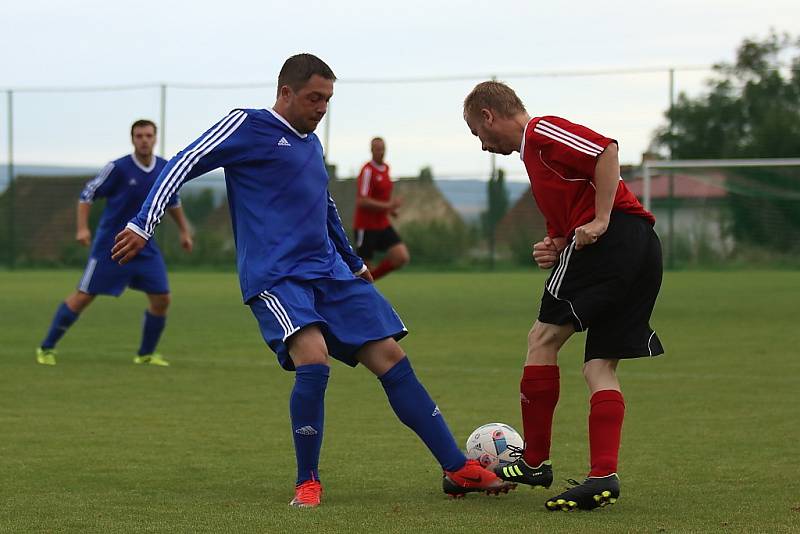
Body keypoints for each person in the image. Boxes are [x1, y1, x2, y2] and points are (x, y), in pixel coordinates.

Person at [112, 54, 513, 507]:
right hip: (277, 277)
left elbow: (324, 207)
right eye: (313, 98)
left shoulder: (309, 144)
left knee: (391, 357)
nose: (321, 108)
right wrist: (144, 222)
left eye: (327, 99)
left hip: (329, 271)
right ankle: (308, 481)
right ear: (285, 92)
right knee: (313, 357)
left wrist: (351, 258)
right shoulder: (247, 125)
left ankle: (457, 468)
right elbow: (184, 161)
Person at [462, 81, 664, 511]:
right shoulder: (537, 165)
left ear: (488, 115)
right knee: (599, 366)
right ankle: (602, 478)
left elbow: (605, 151)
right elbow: (571, 221)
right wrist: (553, 245)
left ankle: (534, 461)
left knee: (542, 339)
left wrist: (602, 219)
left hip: (613, 241)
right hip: (643, 248)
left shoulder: (540, 133)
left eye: (478, 135)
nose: (482, 146)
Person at [35, 120, 193, 367]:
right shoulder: (117, 168)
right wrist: (82, 228)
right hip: (112, 245)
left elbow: (172, 202)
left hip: (144, 246)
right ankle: (46, 347)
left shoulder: (164, 168)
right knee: (83, 296)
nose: (144, 140)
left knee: (162, 298)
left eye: (148, 135)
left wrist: (184, 231)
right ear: (132, 139)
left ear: (155, 138)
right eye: (139, 135)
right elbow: (87, 194)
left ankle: (145, 354)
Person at [353, 137, 410, 280]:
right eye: (378, 149)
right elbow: (362, 201)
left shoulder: (386, 169)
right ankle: (362, 285)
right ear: (371, 150)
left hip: (382, 224)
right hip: (365, 226)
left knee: (401, 256)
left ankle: (367, 282)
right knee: (364, 267)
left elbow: (382, 198)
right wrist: (389, 206)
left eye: (383, 149)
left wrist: (390, 210)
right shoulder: (367, 170)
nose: (381, 152)